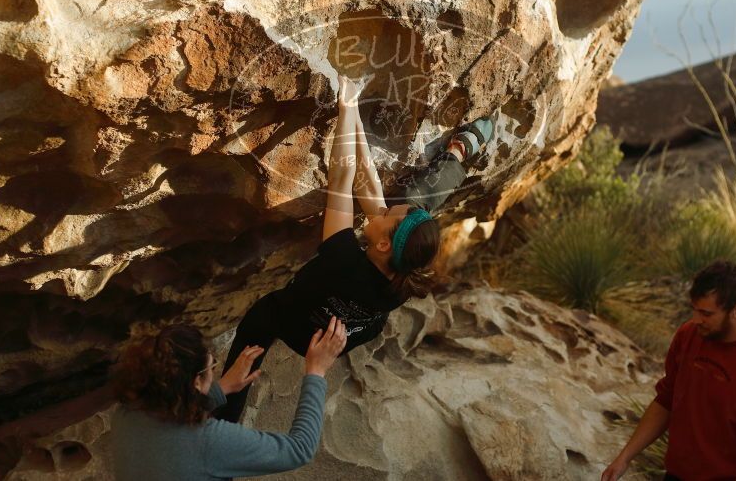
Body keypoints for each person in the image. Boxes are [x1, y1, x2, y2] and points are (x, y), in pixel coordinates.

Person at [215, 74, 496, 423]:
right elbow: (367, 179)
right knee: (417, 207)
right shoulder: (402, 275)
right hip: (332, 338)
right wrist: (356, 116)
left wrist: (346, 104)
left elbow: (343, 177)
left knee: (258, 323)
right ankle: (457, 154)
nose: (381, 209)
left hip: (291, 320)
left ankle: (223, 420)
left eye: (387, 215)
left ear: (381, 243)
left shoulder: (343, 259)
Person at [602, 261, 736, 481]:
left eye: (706, 313)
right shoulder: (688, 335)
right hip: (675, 475)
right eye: (694, 309)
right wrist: (625, 457)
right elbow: (666, 400)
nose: (696, 319)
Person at [110, 316, 346, 481]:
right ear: (195, 382)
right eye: (211, 367)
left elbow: (171, 433)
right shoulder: (208, 441)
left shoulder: (125, 413)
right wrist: (316, 371)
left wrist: (221, 388)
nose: (213, 371)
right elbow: (299, 450)